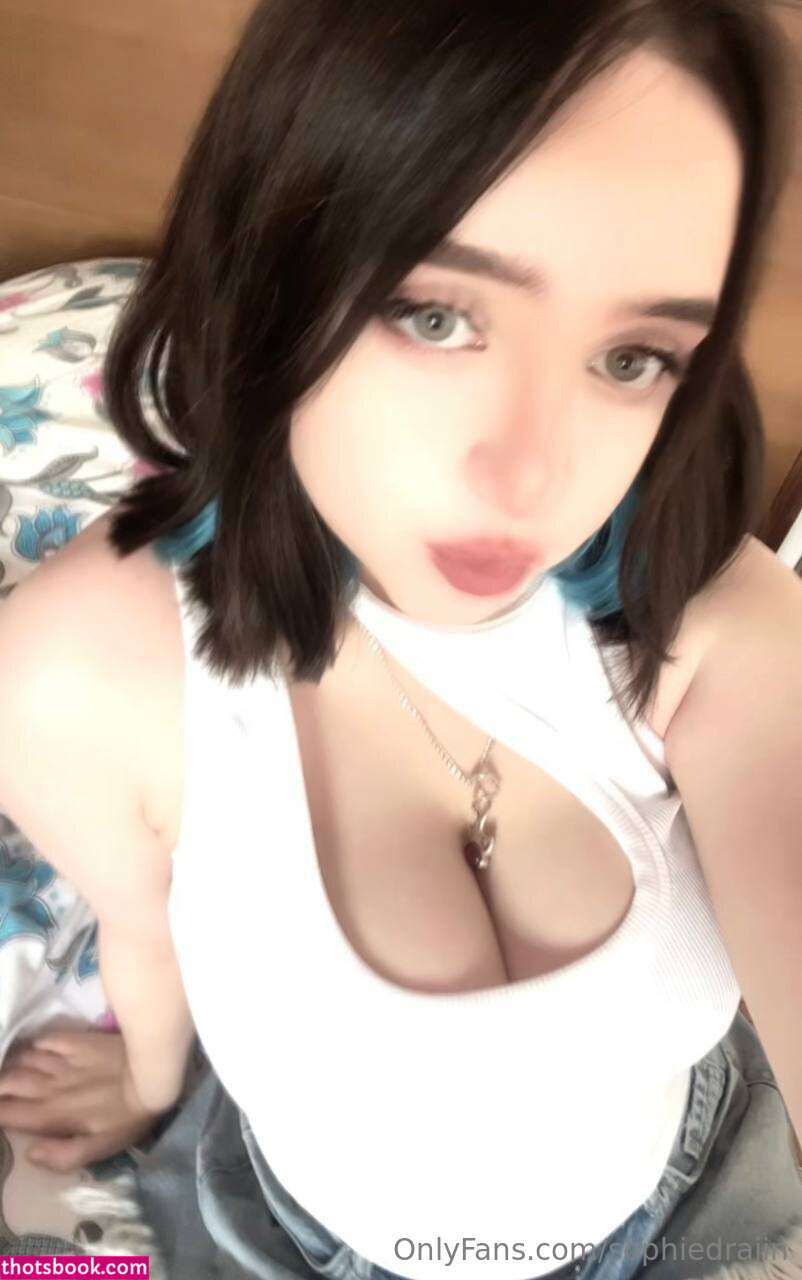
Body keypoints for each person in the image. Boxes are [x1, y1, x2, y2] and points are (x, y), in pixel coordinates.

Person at [0, 0, 801, 1277]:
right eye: (435, 315)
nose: (530, 477)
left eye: (633, 356)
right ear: (268, 270)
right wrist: (147, 1085)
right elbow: (142, 924)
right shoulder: (82, 670)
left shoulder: (704, 611)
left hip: (703, 1189)